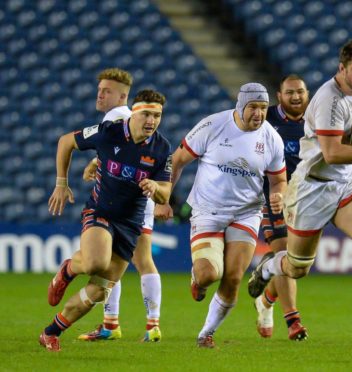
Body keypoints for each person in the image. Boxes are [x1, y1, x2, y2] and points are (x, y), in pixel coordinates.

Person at [248, 38, 352, 355]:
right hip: (313, 187)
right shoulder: (327, 101)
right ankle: (267, 269)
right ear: (341, 68)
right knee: (297, 268)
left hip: (346, 184)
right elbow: (331, 154)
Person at [155, 83, 287, 348]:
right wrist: (164, 198)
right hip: (208, 210)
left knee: (234, 276)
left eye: (263, 108)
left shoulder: (271, 138)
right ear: (241, 106)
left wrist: (279, 194)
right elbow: (177, 160)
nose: (259, 114)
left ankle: (206, 333)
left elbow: (279, 180)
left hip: (247, 213)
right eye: (253, 108)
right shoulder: (213, 125)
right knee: (208, 275)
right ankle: (198, 280)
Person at [39, 89, 172, 352]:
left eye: (157, 115)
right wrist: (61, 183)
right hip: (100, 212)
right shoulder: (108, 131)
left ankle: (51, 332)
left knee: (99, 291)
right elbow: (66, 141)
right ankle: (68, 269)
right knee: (95, 262)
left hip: (130, 225)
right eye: (147, 113)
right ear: (134, 112)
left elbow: (166, 191)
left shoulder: (161, 147)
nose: (152, 120)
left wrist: (154, 188)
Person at [79, 68, 164, 343]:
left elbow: (125, 151)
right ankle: (136, 324)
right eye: (99, 89)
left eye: (106, 90)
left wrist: (96, 162)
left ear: (122, 96)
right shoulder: (126, 117)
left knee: (127, 261)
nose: (100, 94)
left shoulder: (118, 117)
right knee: (141, 260)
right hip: (141, 194)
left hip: (131, 200)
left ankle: (118, 325)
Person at [254, 75, 310, 341]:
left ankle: (266, 300)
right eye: (290, 93)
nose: (296, 97)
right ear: (280, 96)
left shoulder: (317, 121)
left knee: (296, 264)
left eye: (300, 92)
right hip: (273, 196)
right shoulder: (266, 122)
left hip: (307, 200)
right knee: (285, 252)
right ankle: (293, 321)